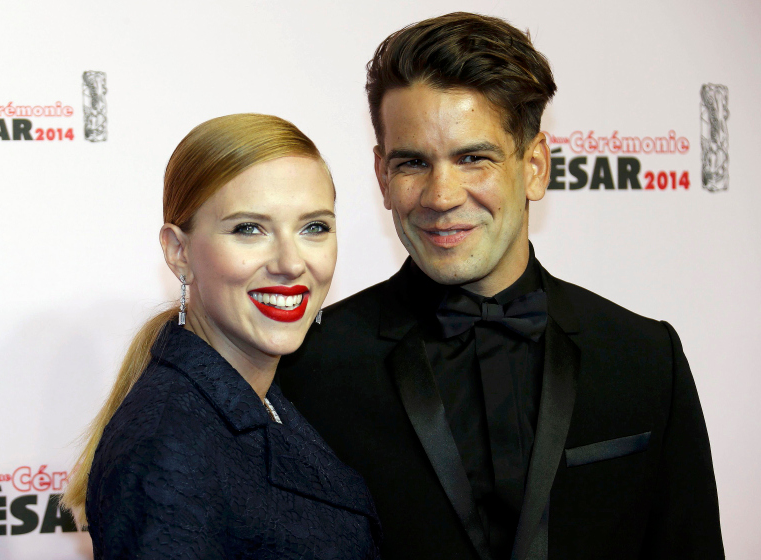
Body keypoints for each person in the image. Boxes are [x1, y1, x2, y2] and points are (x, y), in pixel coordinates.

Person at [278, 13, 723, 560]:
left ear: (535, 165)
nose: (441, 196)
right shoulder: (309, 369)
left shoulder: (645, 358)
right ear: (382, 177)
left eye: (473, 158)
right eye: (413, 163)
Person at [62, 114, 381, 559]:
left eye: (314, 227)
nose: (290, 262)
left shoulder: (261, 398)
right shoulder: (167, 447)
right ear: (179, 252)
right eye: (249, 229)